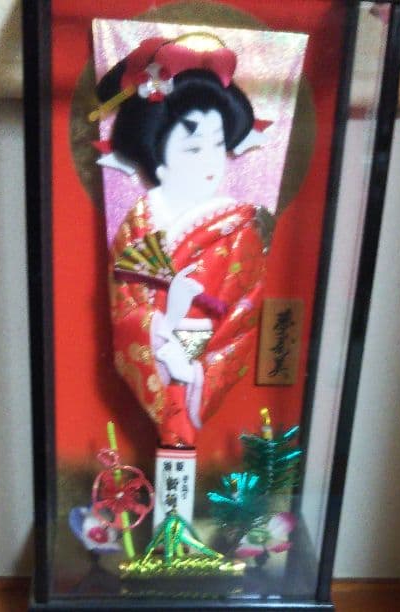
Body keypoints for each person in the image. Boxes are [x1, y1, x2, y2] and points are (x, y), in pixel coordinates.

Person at [96, 33, 268, 447]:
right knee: (170, 444)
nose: (210, 162)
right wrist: (165, 326)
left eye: (217, 145)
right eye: (193, 148)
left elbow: (242, 319)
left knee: (183, 444)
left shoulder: (239, 228)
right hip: (158, 352)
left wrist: (193, 371)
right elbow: (125, 310)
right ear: (157, 154)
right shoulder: (140, 223)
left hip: (202, 364)